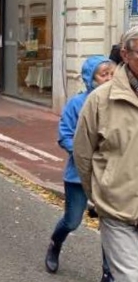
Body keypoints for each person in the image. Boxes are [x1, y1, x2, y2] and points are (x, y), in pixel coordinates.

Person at [74, 26, 138, 281]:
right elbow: (82, 154)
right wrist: (102, 194)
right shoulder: (100, 100)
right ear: (125, 54)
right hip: (118, 211)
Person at [44, 56, 115, 281]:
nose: (109, 79)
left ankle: (108, 271)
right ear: (90, 79)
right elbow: (64, 135)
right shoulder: (77, 104)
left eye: (112, 74)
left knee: (112, 225)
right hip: (79, 176)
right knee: (73, 220)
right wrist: (84, 154)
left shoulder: (119, 101)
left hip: (110, 176)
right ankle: (55, 242)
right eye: (104, 75)